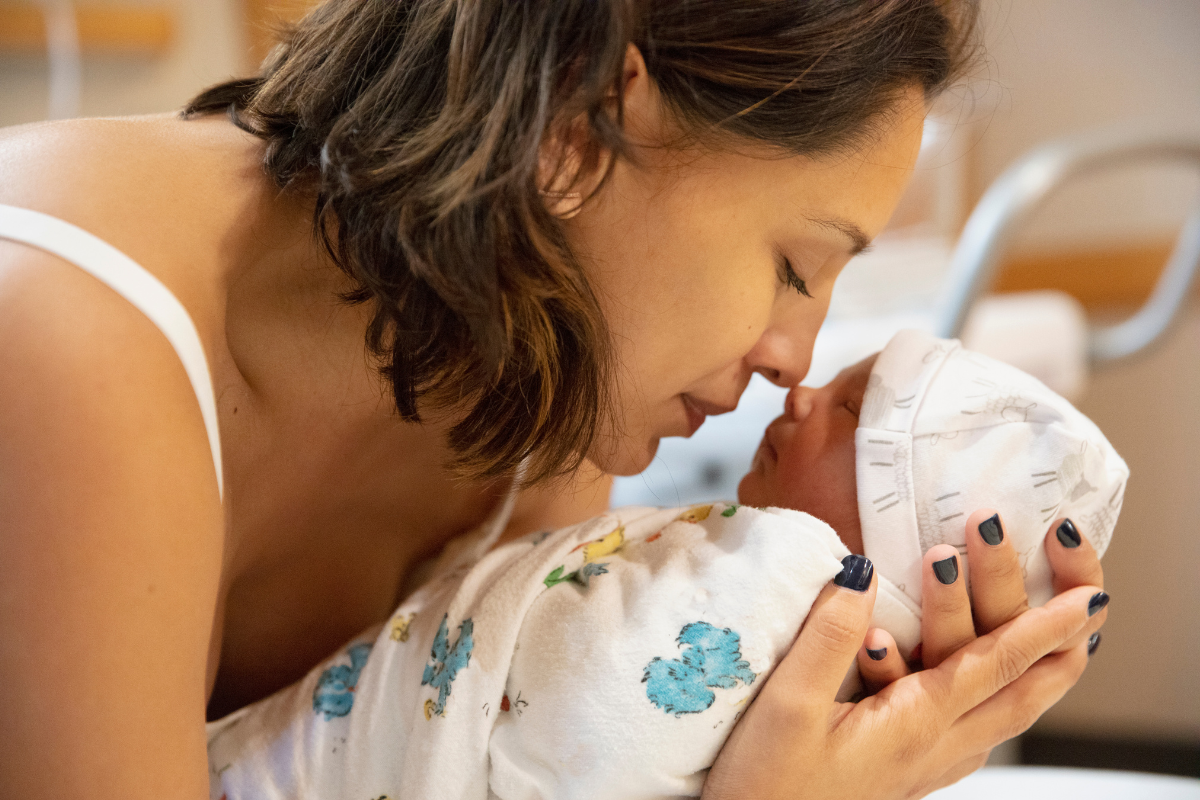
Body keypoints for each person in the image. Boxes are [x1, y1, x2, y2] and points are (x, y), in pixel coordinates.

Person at [0, 1, 1108, 797]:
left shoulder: (541, 407)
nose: (795, 359)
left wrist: (775, 704)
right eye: (794, 265)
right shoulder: (61, 329)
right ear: (581, 131)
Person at [205, 329, 1121, 799]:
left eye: (849, 408)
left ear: (893, 534)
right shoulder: (739, 569)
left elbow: (589, 741)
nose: (800, 389)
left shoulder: (788, 576)